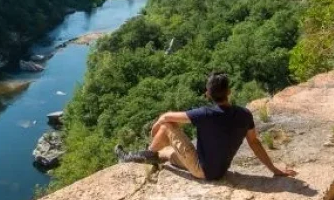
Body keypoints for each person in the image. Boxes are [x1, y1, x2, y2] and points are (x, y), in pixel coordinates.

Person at [115, 72, 297, 180]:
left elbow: (167, 117)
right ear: (229, 92)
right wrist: (274, 170)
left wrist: (157, 124)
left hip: (202, 170)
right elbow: (254, 143)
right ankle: (146, 157)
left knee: (167, 127)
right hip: (218, 170)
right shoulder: (244, 114)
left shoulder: (204, 114)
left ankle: (142, 157)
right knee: (166, 154)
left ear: (208, 94)